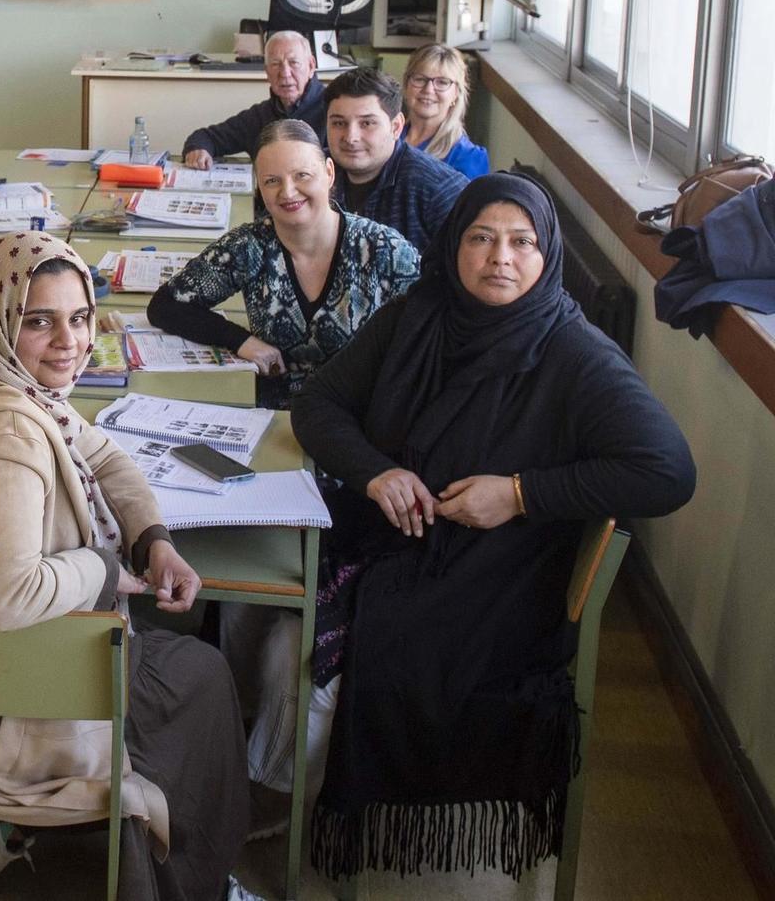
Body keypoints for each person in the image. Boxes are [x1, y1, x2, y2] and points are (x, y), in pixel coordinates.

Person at [290, 174, 694, 882]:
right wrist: (377, 472)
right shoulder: (419, 314)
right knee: (254, 603)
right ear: (453, 246)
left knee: (334, 628)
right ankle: (272, 785)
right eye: (480, 237)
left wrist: (519, 493)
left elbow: (668, 470)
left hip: (496, 571)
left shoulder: (572, 350)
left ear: (547, 256)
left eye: (520, 242)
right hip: (390, 533)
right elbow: (320, 404)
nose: (498, 257)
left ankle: (314, 795)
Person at [0, 234, 248, 898]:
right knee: (200, 676)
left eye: (79, 316)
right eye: (38, 319)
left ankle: (30, 840)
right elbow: (6, 596)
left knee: (174, 666)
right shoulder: (4, 436)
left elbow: (107, 455)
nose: (69, 339)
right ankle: (162, 871)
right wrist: (102, 567)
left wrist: (153, 537)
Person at [148, 120, 419, 407]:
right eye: (272, 181)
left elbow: (430, 333)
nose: (288, 192)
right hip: (277, 418)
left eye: (302, 175)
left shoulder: (383, 249)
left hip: (361, 415)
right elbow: (166, 305)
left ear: (329, 173)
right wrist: (240, 340)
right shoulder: (250, 245)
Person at [323, 66, 467, 257]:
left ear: (396, 127)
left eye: (367, 123)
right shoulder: (312, 173)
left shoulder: (438, 190)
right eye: (339, 123)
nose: (351, 137)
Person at [181, 29, 326, 169]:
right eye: (275, 64)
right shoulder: (260, 116)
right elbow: (206, 137)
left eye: (294, 63)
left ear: (311, 65)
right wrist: (198, 150)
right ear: (267, 72)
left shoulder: (333, 109)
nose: (285, 73)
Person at [401, 43, 490, 179]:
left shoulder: (468, 157)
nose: (428, 90)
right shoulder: (387, 136)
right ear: (406, 85)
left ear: (456, 93)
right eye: (420, 79)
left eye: (442, 82)